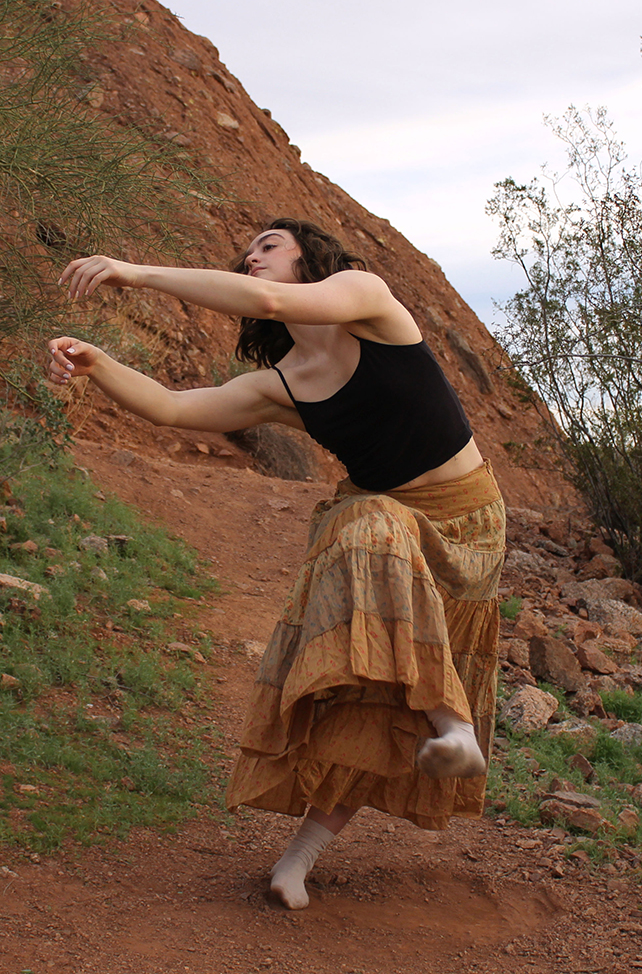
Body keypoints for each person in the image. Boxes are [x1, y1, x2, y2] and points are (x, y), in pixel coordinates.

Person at [48, 217, 505, 910]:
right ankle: (301, 856)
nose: (251, 257)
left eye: (268, 246)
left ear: (310, 260)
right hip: (386, 529)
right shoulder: (285, 385)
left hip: (466, 523)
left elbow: (267, 301)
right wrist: (96, 362)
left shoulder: (365, 297)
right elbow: (172, 408)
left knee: (365, 526)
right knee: (364, 686)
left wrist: (132, 272)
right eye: (247, 252)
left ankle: (452, 724)